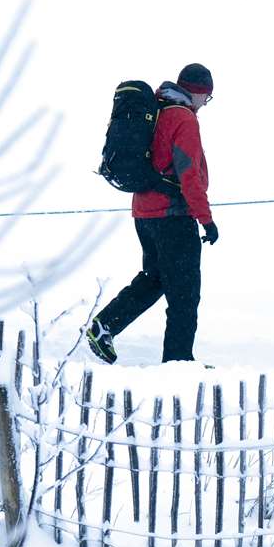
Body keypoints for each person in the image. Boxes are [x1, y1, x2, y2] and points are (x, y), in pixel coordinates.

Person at [84, 63, 219, 364]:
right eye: (206, 98)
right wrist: (206, 219)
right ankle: (179, 362)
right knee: (185, 293)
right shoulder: (183, 119)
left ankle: (104, 326)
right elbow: (189, 175)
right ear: (197, 92)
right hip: (173, 217)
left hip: (144, 214)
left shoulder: (157, 112)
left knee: (154, 278)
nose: (205, 105)